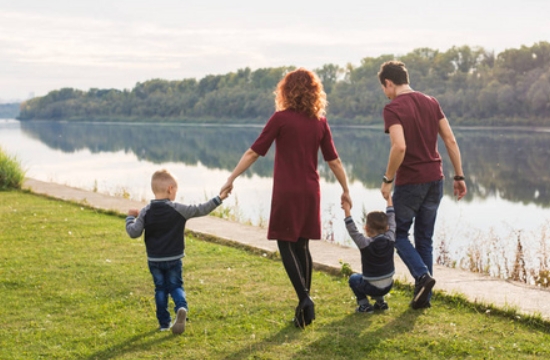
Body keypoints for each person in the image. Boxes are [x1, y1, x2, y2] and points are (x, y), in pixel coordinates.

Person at [220, 68, 351, 329]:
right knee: (302, 246)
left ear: (286, 91)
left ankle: (305, 299)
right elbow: (334, 161)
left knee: (284, 243)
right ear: (315, 93)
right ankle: (303, 313)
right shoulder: (320, 122)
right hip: (310, 191)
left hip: (287, 191)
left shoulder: (281, 119)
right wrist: (346, 189)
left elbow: (253, 153)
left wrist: (231, 178)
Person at [377, 60, 467, 310]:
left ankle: (422, 276)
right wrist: (459, 176)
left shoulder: (393, 108)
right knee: (424, 239)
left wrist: (388, 179)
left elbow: (400, 146)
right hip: (435, 179)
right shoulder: (431, 102)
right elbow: (449, 139)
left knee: (396, 234)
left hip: (411, 181)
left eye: (384, 88)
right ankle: (423, 299)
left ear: (389, 83)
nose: (385, 93)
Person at [125, 169, 230, 334]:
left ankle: (164, 324)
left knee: (160, 289)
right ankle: (181, 307)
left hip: (155, 259)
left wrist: (130, 218)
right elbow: (201, 209)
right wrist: (219, 198)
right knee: (175, 286)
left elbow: (134, 233)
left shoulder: (146, 211)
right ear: (170, 189)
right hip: (174, 258)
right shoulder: (179, 209)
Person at [341, 194, 395, 313]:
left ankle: (364, 305)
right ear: (387, 228)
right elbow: (391, 217)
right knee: (377, 278)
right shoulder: (391, 238)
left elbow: (352, 230)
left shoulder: (364, 243)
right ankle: (381, 303)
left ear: (366, 228)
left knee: (354, 279)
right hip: (389, 285)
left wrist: (347, 210)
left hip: (372, 287)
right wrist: (389, 199)